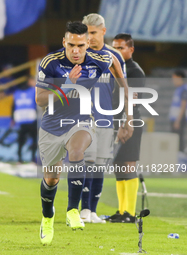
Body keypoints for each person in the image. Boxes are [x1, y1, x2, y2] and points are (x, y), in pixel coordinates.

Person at [36, 21, 132, 245]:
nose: (76, 50)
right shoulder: (50, 63)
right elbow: (40, 100)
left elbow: (120, 74)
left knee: (78, 151)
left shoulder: (102, 60)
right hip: (52, 125)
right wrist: (67, 86)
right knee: (51, 179)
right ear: (64, 42)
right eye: (71, 45)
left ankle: (72, 210)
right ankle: (48, 217)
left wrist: (128, 98)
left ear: (88, 43)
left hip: (81, 120)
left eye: (80, 45)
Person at [80, 14, 128, 224]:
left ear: (103, 31)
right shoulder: (79, 54)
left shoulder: (114, 57)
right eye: (86, 33)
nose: (89, 37)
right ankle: (82, 210)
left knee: (100, 166)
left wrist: (126, 118)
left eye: (93, 32)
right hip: (83, 118)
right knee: (87, 163)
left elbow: (124, 89)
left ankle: (92, 211)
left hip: (106, 117)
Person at [109, 33, 146, 223]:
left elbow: (133, 101)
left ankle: (130, 213)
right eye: (114, 47)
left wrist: (126, 123)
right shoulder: (115, 68)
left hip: (131, 123)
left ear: (131, 49)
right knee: (118, 166)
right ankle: (121, 210)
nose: (117, 51)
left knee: (128, 164)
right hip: (116, 122)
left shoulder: (134, 71)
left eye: (121, 47)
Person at [11, 76, 37, 163]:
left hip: (21, 120)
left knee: (21, 141)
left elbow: (13, 106)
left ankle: (19, 159)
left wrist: (12, 119)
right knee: (33, 140)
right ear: (29, 81)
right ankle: (33, 159)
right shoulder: (33, 91)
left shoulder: (17, 92)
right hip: (31, 119)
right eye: (33, 80)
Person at [168, 70, 187, 152]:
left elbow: (183, 105)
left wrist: (178, 120)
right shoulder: (178, 89)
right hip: (174, 118)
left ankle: (179, 157)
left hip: (178, 118)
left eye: (174, 78)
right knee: (174, 138)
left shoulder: (184, 89)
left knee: (178, 138)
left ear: (179, 77)